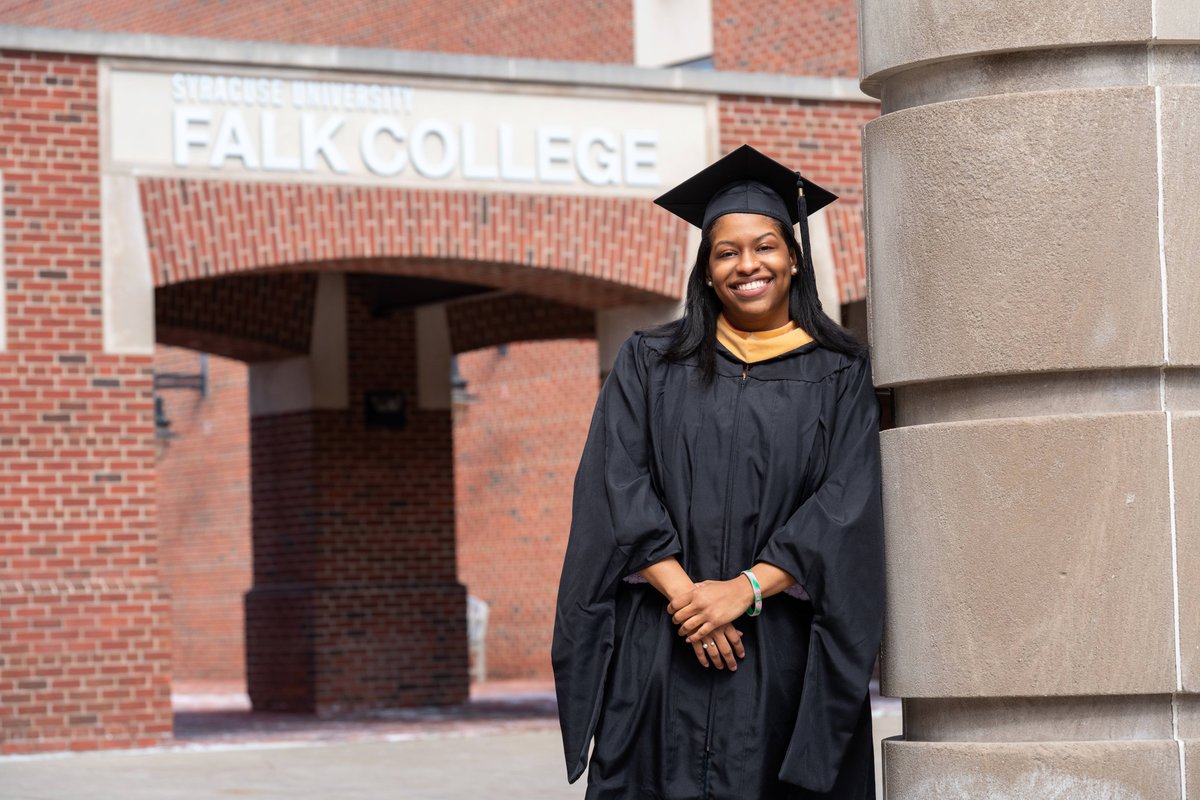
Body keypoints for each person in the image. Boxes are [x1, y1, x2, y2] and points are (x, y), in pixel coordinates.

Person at [552, 144, 884, 799]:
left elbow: (845, 503)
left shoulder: (839, 372)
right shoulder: (651, 363)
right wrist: (689, 599)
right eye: (725, 252)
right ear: (705, 272)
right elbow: (617, 485)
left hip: (779, 649)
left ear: (793, 258)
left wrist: (744, 592)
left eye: (764, 246)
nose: (746, 265)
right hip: (661, 649)